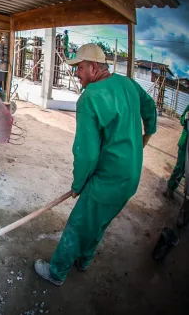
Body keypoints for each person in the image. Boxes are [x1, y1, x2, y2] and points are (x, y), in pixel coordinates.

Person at [34, 43, 157, 285]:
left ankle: (57, 272)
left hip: (108, 179)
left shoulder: (89, 98)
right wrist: (147, 135)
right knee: (100, 220)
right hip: (130, 177)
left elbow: (86, 154)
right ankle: (85, 259)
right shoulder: (128, 84)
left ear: (93, 66)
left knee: (79, 223)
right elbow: (150, 108)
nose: (76, 73)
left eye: (79, 67)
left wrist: (78, 184)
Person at [165, 104, 189, 198]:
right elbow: (182, 119)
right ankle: (170, 188)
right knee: (180, 168)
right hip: (185, 143)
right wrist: (186, 117)